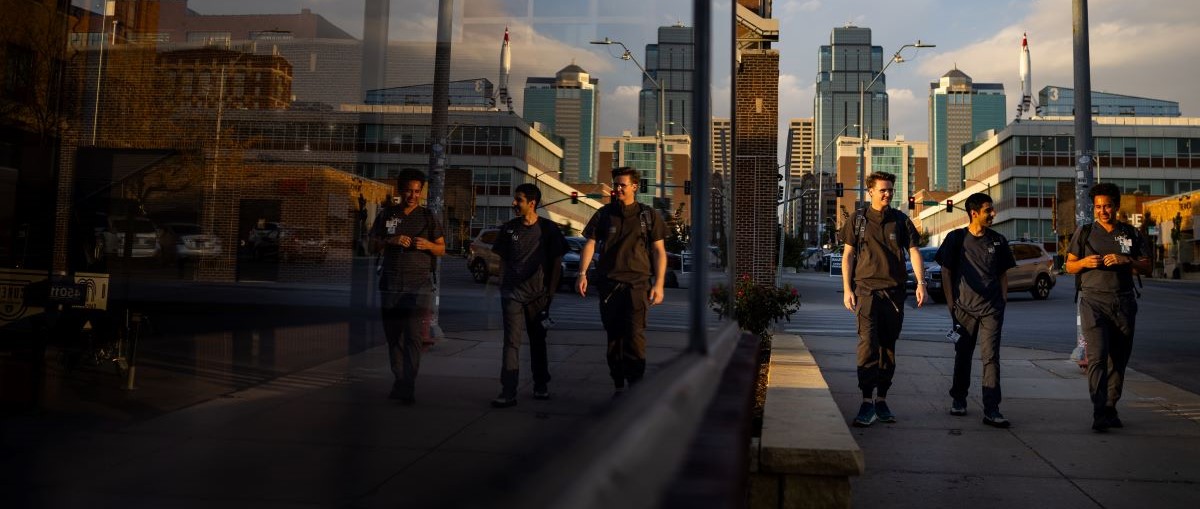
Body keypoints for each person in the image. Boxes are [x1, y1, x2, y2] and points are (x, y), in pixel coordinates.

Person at [840, 171, 927, 427]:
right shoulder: (858, 220)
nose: (888, 194)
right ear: (870, 192)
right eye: (883, 190)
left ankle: (882, 399)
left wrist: (920, 283)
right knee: (868, 345)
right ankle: (866, 401)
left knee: (888, 348)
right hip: (866, 291)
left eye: (890, 190)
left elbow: (913, 251)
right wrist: (847, 289)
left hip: (894, 293)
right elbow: (848, 255)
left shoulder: (900, 220)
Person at [1065, 182, 1150, 432]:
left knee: (1119, 359)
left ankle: (1111, 406)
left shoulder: (1131, 233)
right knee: (1098, 356)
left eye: (1107, 206)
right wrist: (1084, 262)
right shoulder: (1085, 232)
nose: (1103, 211)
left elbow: (1147, 266)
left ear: (1116, 207)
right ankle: (1099, 410)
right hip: (1093, 301)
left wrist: (1127, 260)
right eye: (1098, 207)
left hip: (1123, 301)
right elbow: (1069, 267)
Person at [577, 166, 667, 395]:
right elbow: (590, 243)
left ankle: (635, 385)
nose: (617, 188)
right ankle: (618, 383)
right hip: (608, 285)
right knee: (614, 339)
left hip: (638, 285)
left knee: (635, 337)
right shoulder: (604, 214)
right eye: (615, 184)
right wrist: (582, 274)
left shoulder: (648, 215)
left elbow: (659, 251)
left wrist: (659, 284)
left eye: (622, 185)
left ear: (634, 187)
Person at [934, 193, 1016, 428]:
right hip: (963, 310)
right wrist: (951, 304)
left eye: (992, 210)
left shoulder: (998, 240)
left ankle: (992, 409)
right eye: (988, 210)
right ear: (974, 213)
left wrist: (1002, 300)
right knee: (963, 356)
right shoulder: (956, 239)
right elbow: (946, 272)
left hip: (992, 310)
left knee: (991, 358)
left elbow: (1002, 274)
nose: (993, 214)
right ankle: (959, 399)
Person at [369, 169, 445, 405]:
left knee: (413, 337)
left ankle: (407, 384)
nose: (413, 195)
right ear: (400, 190)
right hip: (391, 284)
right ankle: (400, 378)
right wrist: (389, 240)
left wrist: (428, 245)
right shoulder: (387, 214)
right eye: (409, 191)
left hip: (419, 287)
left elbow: (442, 249)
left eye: (417, 191)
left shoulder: (428, 217)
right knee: (394, 337)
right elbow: (370, 245)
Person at [490, 184, 569, 408]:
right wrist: (503, 286)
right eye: (515, 199)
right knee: (511, 343)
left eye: (519, 200)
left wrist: (550, 294)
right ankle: (508, 391)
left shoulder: (549, 229)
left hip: (538, 296)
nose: (514, 203)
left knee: (538, 342)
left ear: (532, 203)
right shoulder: (508, 229)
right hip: (512, 294)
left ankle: (541, 384)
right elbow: (503, 260)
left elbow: (556, 263)